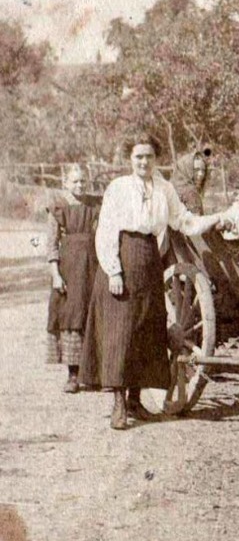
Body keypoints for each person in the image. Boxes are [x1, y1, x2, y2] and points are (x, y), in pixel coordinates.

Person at [80, 134, 228, 430]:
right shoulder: (118, 188)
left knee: (146, 328)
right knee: (120, 332)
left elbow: (184, 221)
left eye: (148, 156)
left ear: (156, 158)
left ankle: (136, 401)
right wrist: (114, 271)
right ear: (129, 159)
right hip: (123, 256)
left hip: (149, 259)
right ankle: (119, 404)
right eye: (138, 157)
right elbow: (107, 230)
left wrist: (216, 217)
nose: (144, 162)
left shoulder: (165, 188)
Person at [45, 164, 100, 393]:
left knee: (92, 314)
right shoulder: (59, 207)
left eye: (82, 182)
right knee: (71, 316)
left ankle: (94, 374)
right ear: (65, 183)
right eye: (75, 181)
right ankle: (73, 375)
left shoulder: (94, 206)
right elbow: (51, 243)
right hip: (69, 267)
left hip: (93, 265)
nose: (79, 185)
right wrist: (56, 275)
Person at [170, 147, 212, 215]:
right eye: (196, 170)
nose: (201, 174)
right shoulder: (191, 193)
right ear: (186, 169)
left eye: (203, 170)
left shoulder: (170, 187)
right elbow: (198, 224)